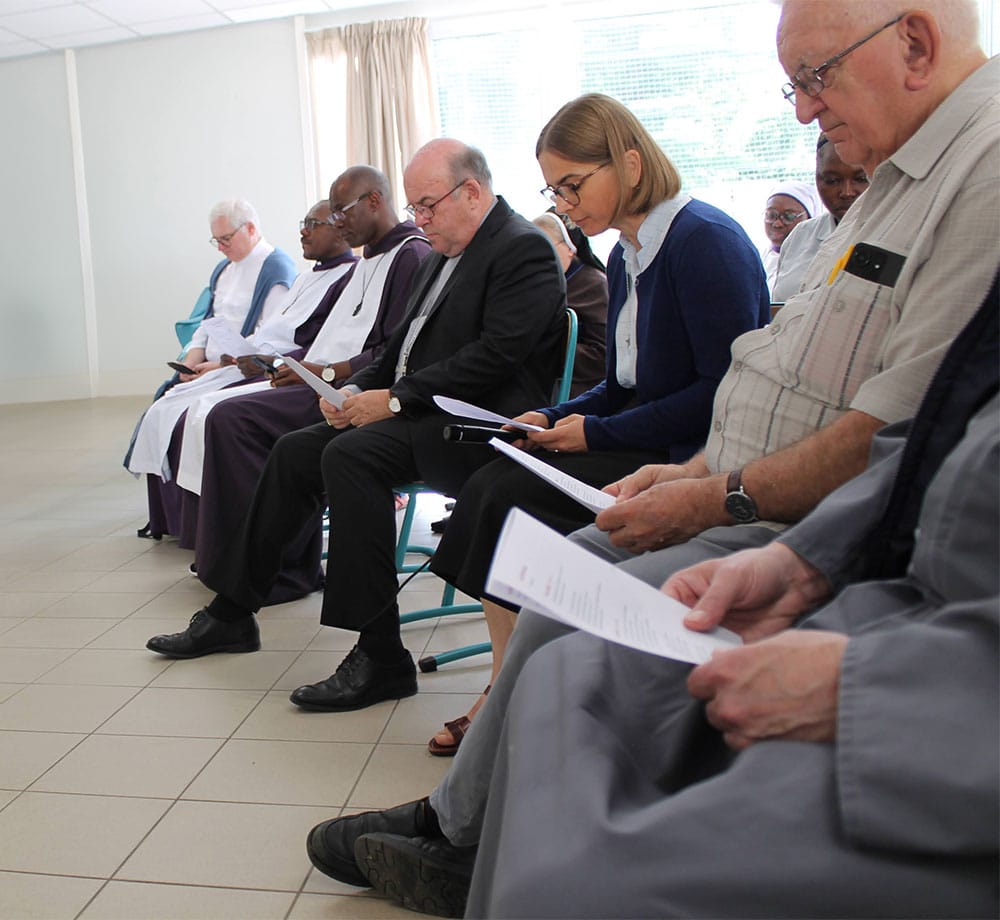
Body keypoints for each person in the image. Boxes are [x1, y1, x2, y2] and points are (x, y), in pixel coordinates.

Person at [303, 0, 999, 906]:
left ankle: (466, 826)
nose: (801, 112)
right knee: (544, 561)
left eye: (814, 79)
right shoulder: (895, 181)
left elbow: (889, 432)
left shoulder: (964, 179)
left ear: (913, 41)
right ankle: (462, 820)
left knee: (534, 556)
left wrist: (710, 489)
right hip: (725, 477)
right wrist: (652, 453)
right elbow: (777, 380)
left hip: (772, 503)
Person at [146, 139, 568, 715]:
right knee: (296, 451)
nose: (418, 220)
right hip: (427, 413)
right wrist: (349, 389)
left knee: (351, 456)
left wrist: (392, 400)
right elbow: (398, 347)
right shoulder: (446, 249)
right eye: (415, 207)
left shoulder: (523, 250)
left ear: (471, 192)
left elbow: (496, 358)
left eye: (428, 205)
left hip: (480, 428)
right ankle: (232, 613)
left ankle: (381, 656)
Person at [425, 95, 769, 756]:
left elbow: (721, 395)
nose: (565, 205)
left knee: (504, 496)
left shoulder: (705, 244)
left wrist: (594, 435)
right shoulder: (627, 257)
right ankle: (509, 683)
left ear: (630, 164)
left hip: (688, 455)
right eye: (555, 190)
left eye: (573, 185)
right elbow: (621, 386)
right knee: (498, 482)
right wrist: (551, 417)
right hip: (640, 436)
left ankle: (509, 690)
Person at [168, 166, 431, 598]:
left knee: (234, 419)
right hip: (324, 379)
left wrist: (323, 374)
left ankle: (281, 573)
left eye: (340, 212)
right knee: (219, 411)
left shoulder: (411, 256)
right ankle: (237, 568)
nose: (337, 223)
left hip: (355, 393)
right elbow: (325, 337)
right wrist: (302, 366)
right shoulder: (371, 256)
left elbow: (393, 352)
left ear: (374, 202)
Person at [126, 200, 358, 537]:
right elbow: (216, 321)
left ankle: (217, 528)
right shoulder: (302, 276)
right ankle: (182, 522)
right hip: (248, 360)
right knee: (166, 407)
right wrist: (197, 359)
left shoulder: (294, 269)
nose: (303, 231)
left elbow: (315, 341)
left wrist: (249, 361)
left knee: (207, 412)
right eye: (303, 222)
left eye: (314, 224)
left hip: (278, 367)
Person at [170, 199, 296, 386]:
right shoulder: (223, 269)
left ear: (251, 229)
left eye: (226, 239)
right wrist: (190, 362)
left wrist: (219, 366)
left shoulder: (276, 268)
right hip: (207, 367)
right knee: (162, 405)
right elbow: (208, 324)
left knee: (181, 410)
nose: (220, 248)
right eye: (216, 241)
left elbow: (270, 335)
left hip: (242, 371)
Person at [771, 133, 870, 302]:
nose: (846, 192)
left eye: (860, 179)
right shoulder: (801, 235)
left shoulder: (899, 231)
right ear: (817, 178)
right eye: (832, 181)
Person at [531, 211, 608, 397]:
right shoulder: (536, 284)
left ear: (570, 249)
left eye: (545, 247)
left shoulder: (594, 284)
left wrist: (542, 348)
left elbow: (603, 355)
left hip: (580, 393)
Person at [760, 179, 821, 292]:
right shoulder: (758, 258)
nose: (777, 223)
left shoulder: (818, 261)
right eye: (771, 215)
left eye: (789, 216)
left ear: (810, 219)